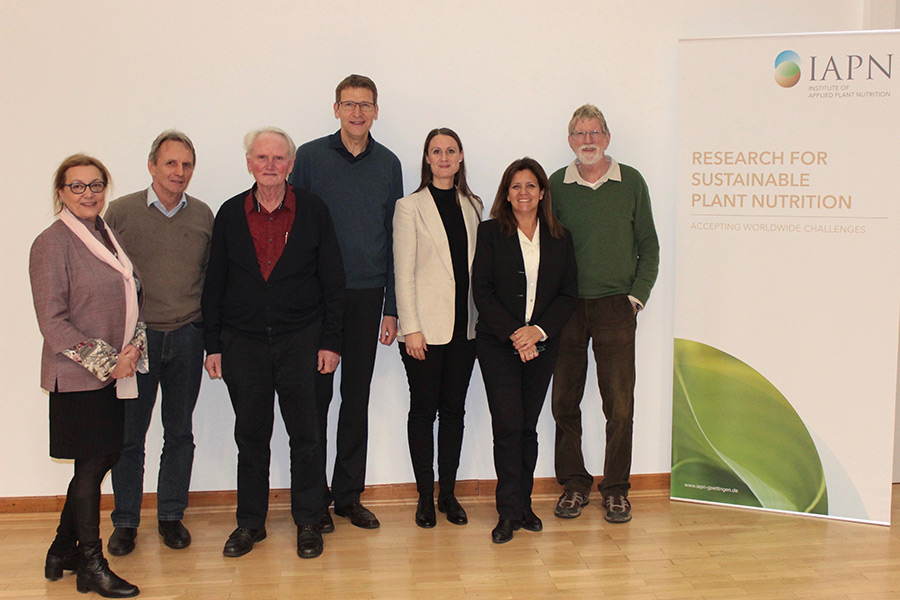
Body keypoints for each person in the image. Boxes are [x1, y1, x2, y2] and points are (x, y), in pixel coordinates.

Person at [201, 127, 344, 560]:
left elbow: (333, 282)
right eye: (261, 158)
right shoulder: (229, 214)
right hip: (242, 344)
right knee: (251, 436)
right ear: (249, 163)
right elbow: (214, 285)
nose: (269, 165)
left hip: (302, 340)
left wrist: (331, 341)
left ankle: (308, 519)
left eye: (278, 158)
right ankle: (250, 524)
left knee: (306, 435)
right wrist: (213, 345)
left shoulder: (314, 211)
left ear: (290, 164)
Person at [289, 74, 402, 532]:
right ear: (335, 108)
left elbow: (398, 238)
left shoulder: (389, 164)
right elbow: (295, 227)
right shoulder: (311, 158)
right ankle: (314, 500)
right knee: (315, 400)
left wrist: (392, 305)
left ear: (376, 111)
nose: (357, 113)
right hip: (316, 298)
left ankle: (348, 495)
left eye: (366, 105)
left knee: (356, 397)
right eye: (349, 104)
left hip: (367, 294)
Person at [29, 154, 144, 597]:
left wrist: (133, 349)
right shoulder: (51, 243)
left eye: (96, 185)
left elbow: (130, 293)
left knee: (100, 460)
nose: (88, 194)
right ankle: (91, 566)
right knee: (95, 462)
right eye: (77, 186)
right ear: (61, 192)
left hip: (114, 371)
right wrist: (108, 361)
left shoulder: (104, 235)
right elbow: (53, 321)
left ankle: (62, 549)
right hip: (78, 377)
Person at [104, 130, 214, 556]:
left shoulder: (203, 215)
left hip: (187, 335)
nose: (179, 172)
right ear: (152, 166)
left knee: (179, 432)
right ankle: (126, 522)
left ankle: (171, 516)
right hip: (138, 341)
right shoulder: (121, 212)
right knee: (130, 437)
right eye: (171, 163)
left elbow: (210, 278)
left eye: (186, 165)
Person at [549, 104, 659, 524]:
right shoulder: (555, 185)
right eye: (580, 133)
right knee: (564, 402)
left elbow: (648, 246)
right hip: (567, 308)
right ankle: (574, 486)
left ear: (608, 137)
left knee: (620, 405)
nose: (588, 140)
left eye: (595, 132)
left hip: (616, 306)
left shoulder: (631, 182)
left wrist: (636, 298)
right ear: (571, 141)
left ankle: (616, 489)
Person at [472, 158, 577, 544]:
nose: (523, 193)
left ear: (542, 192)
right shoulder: (490, 233)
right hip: (498, 344)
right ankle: (507, 512)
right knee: (508, 425)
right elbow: (481, 290)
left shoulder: (560, 237)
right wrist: (518, 335)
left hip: (543, 344)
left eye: (530, 186)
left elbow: (568, 294)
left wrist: (538, 332)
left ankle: (525, 505)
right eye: (515, 186)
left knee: (528, 428)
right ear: (506, 193)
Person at [393, 128, 482, 528]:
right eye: (436, 151)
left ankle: (448, 493)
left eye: (450, 150)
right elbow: (403, 272)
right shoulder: (409, 207)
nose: (444, 157)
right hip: (424, 332)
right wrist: (410, 327)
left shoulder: (474, 205)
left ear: (461, 157)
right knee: (423, 412)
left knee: (454, 412)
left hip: (466, 329)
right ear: (427, 159)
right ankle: (424, 496)